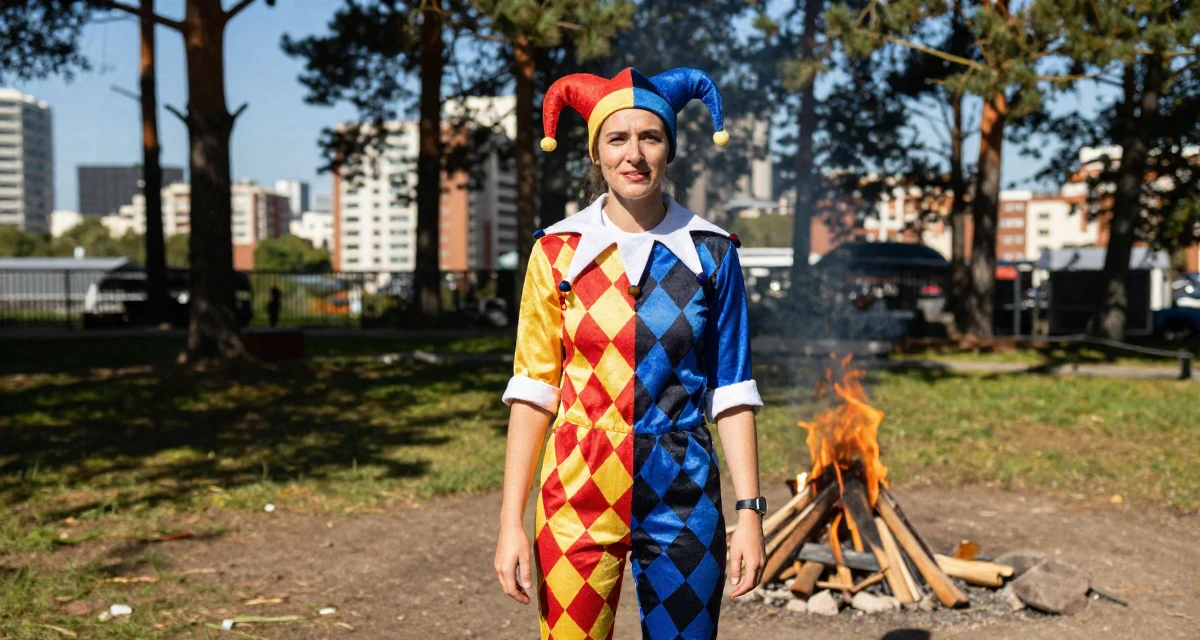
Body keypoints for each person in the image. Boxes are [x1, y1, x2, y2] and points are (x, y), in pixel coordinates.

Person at [494, 67, 766, 640]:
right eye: (618, 139)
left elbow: (734, 390)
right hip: (577, 486)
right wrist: (509, 523)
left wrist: (750, 516)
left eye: (651, 137)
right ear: (596, 152)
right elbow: (533, 391)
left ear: (670, 147)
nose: (634, 154)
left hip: (684, 493)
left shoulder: (713, 254)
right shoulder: (556, 252)